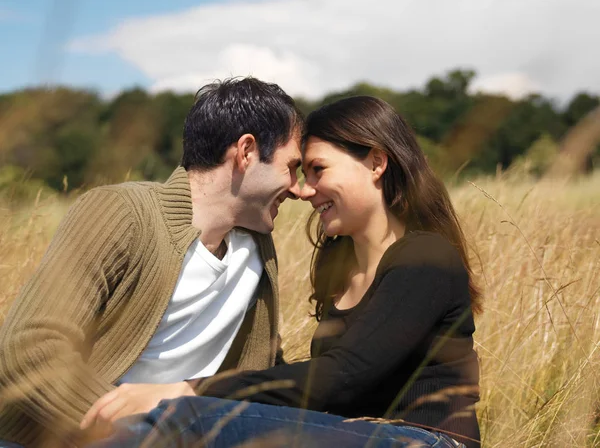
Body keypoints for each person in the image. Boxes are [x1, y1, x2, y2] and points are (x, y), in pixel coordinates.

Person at [89, 95, 483, 448]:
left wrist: (188, 390)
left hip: (426, 440)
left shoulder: (426, 257)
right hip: (356, 433)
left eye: (318, 169)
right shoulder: (340, 270)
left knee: (188, 418)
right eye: (302, 173)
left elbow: (342, 377)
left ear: (377, 163)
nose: (305, 190)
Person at [0, 77, 304, 447]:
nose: (298, 188)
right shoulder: (123, 213)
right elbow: (31, 348)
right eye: (292, 167)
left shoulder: (258, 246)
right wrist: (142, 431)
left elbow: (268, 371)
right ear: (246, 152)